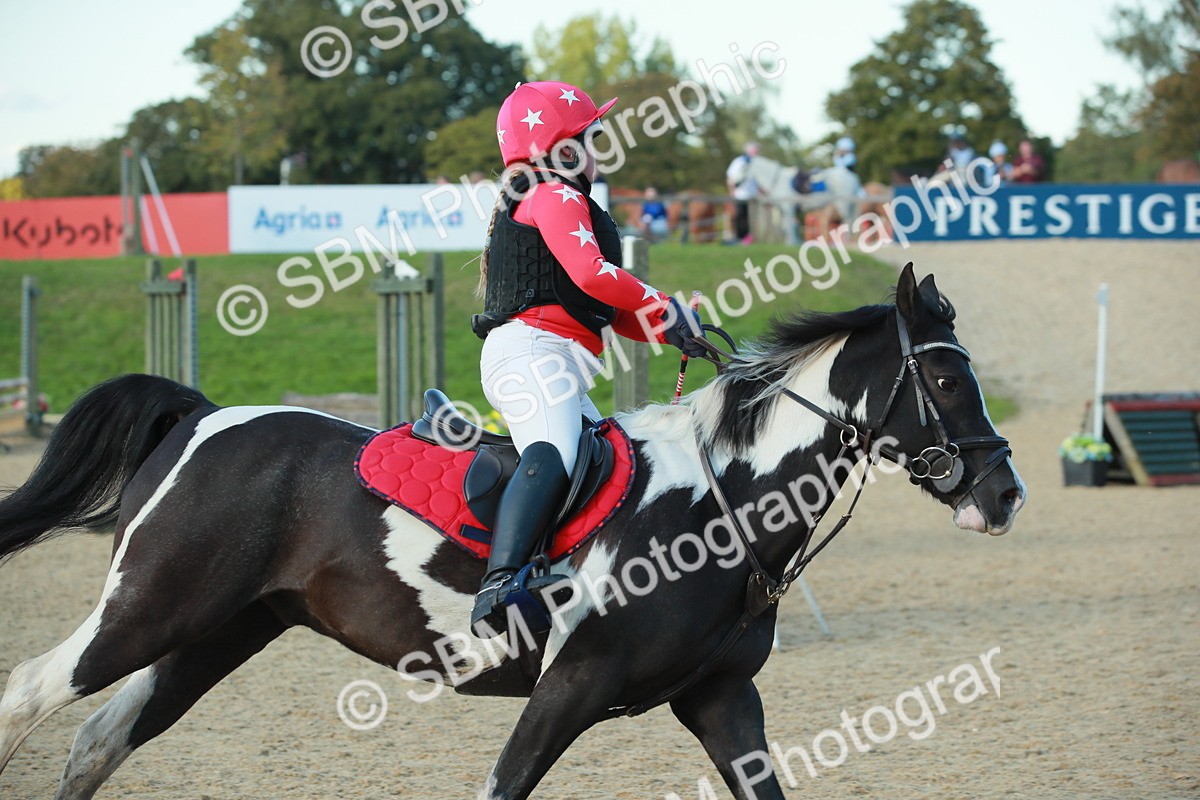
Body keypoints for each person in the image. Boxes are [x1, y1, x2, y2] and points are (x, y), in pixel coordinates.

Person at [469, 81, 706, 635]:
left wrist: (670, 330)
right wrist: (665, 306)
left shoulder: (558, 199)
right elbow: (591, 274)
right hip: (532, 354)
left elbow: (607, 308)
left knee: (609, 468)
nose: (599, 149)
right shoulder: (555, 196)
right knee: (554, 451)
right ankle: (499, 584)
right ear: (563, 148)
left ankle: (563, 566)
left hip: (553, 358)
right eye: (590, 137)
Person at [725, 142, 760, 244]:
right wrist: (732, 192)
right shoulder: (739, 162)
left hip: (754, 197)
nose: (757, 153)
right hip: (741, 195)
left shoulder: (758, 163)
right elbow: (730, 178)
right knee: (740, 218)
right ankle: (740, 238)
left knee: (752, 220)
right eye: (755, 151)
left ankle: (750, 239)